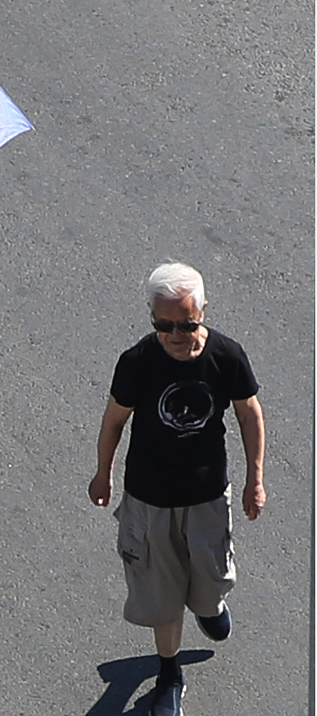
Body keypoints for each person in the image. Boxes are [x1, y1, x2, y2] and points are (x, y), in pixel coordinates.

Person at [88, 263, 266, 716]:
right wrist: (102, 473)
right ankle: (170, 674)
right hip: (150, 498)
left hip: (207, 495)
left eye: (187, 324)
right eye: (164, 325)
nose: (176, 335)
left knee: (211, 579)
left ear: (203, 312)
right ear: (152, 318)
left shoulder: (226, 356)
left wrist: (255, 480)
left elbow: (250, 415)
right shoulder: (138, 363)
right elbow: (114, 421)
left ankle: (207, 606)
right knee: (163, 594)